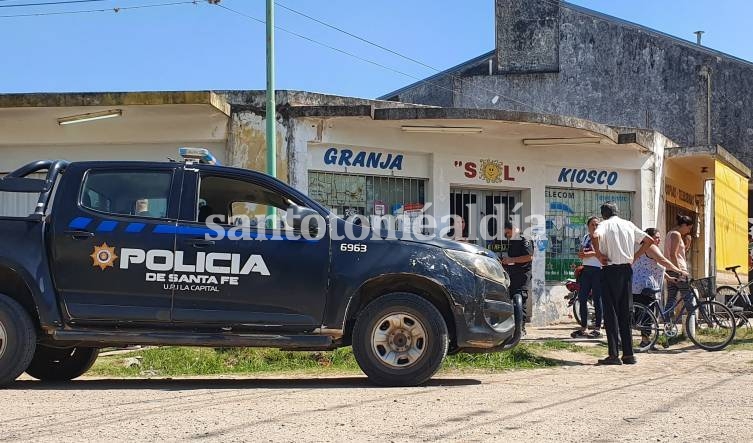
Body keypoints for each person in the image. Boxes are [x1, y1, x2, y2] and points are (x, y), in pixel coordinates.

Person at [592, 202, 654, 365]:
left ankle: (613, 354)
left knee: (611, 312)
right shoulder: (628, 224)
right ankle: (629, 354)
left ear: (603, 214)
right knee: (626, 312)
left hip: (610, 270)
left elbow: (594, 235)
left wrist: (599, 255)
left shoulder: (604, 225)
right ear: (617, 211)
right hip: (626, 270)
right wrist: (636, 255)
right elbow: (648, 240)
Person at [632, 228, 688, 347]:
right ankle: (645, 341)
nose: (659, 239)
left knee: (647, 312)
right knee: (646, 313)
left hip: (642, 283)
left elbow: (658, 266)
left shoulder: (647, 247)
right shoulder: (650, 247)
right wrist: (678, 270)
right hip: (644, 284)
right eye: (657, 237)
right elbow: (662, 261)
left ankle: (647, 340)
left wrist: (670, 278)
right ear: (650, 237)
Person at [571, 216, 604, 339]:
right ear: (588, 226)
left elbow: (601, 252)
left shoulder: (601, 237)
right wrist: (582, 254)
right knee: (582, 298)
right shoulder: (585, 237)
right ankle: (583, 327)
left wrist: (588, 254)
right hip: (586, 270)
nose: (595, 227)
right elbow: (581, 252)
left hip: (598, 270)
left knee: (597, 299)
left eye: (597, 225)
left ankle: (598, 328)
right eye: (592, 225)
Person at [501, 220, 533, 335]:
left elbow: (529, 257)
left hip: (523, 275)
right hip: (513, 275)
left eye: (508, 233)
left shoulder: (525, 239)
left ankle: (521, 329)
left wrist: (511, 260)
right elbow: (513, 258)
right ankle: (514, 327)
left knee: (520, 300)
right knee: (513, 301)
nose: (507, 236)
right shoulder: (513, 241)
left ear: (514, 229)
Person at [665, 215, 695, 319]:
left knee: (671, 298)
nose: (689, 231)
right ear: (683, 225)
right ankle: (692, 325)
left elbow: (679, 254)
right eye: (689, 228)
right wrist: (679, 271)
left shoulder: (670, 233)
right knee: (688, 297)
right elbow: (673, 255)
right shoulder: (676, 234)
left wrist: (688, 243)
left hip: (670, 270)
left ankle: (667, 324)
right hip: (677, 270)